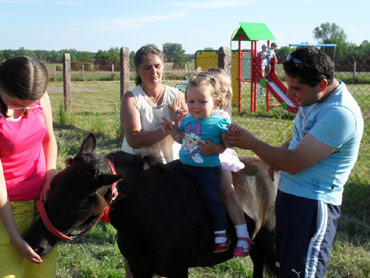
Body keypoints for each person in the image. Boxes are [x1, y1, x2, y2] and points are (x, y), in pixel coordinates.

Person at [226, 46, 363, 277]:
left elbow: (295, 162)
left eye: (296, 88)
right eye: (288, 84)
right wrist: (278, 153)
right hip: (291, 198)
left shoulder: (340, 114)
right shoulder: (314, 99)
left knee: (301, 272)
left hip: (311, 206)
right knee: (285, 268)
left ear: (321, 85)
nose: (290, 93)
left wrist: (252, 143)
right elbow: (304, 138)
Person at [120, 44, 187, 278]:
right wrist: (170, 129)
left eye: (157, 66)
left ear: (164, 68)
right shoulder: (131, 97)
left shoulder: (177, 96)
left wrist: (183, 120)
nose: (154, 72)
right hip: (138, 170)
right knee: (135, 235)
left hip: (170, 167)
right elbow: (135, 139)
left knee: (170, 229)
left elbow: (190, 132)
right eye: (147, 67)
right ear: (138, 70)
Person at [0, 56, 58, 277]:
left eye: (28, 105)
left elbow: (49, 139)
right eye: (15, 103)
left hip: (41, 207)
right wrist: (15, 238)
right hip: (6, 212)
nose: (24, 110)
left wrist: (49, 178)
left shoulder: (39, 97)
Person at [161, 72, 232, 253]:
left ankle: (221, 234)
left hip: (206, 171)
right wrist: (173, 130)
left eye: (202, 101)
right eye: (191, 101)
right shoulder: (187, 121)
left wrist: (215, 149)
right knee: (162, 174)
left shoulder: (219, 122)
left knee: (211, 198)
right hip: (183, 165)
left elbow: (225, 145)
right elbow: (180, 139)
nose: (196, 106)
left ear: (215, 101)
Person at [199, 68, 251, 257]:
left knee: (226, 191)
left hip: (217, 157)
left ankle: (242, 235)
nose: (224, 93)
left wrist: (216, 147)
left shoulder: (221, 116)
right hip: (198, 158)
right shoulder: (196, 109)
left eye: (225, 90)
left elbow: (224, 142)